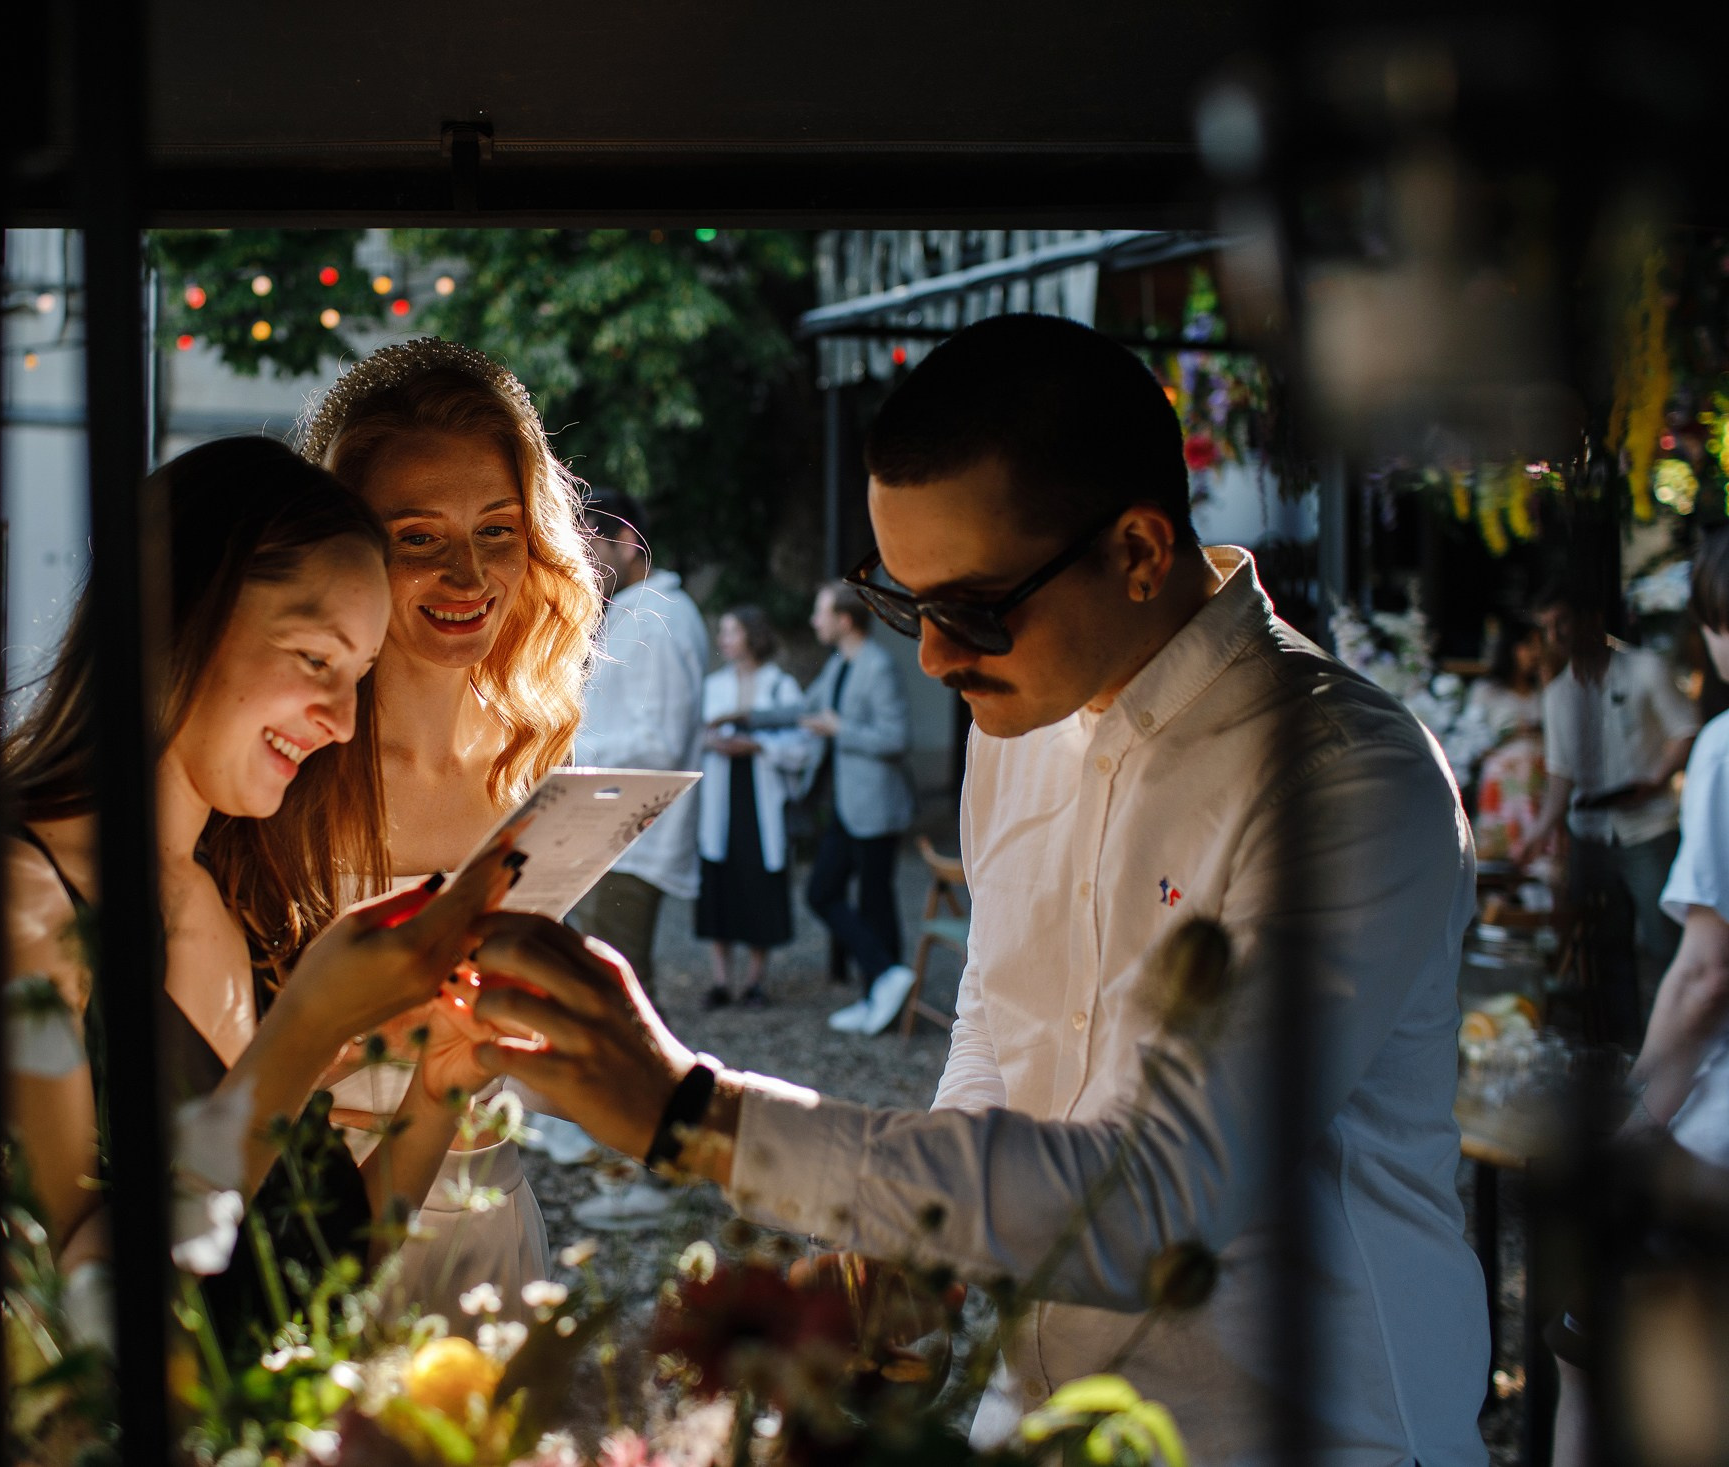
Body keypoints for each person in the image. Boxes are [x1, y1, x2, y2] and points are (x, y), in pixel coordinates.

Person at [465, 314, 1489, 1467]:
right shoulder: (1021, 718)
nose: (933, 659)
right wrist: (923, 1256)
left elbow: (1160, 1190)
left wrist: (697, 1115)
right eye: (904, 602)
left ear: (1141, 552)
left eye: (970, 609)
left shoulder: (1340, 777)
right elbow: (1001, 1022)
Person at [1, 436, 517, 1354]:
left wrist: (439, 1085)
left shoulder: (225, 891)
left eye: (360, 677)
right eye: (316, 657)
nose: (345, 721)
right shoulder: (24, 903)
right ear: (176, 618)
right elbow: (79, 1319)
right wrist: (304, 1031)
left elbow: (313, 1260)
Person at [299, 339, 601, 1308]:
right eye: (419, 536)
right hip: (315, 1237)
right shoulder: (283, 770)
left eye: (498, 530)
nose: (467, 575)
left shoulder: (537, 760)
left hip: (496, 1235)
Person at [1549, 529, 1729, 1467]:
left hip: (1716, 1140)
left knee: (1587, 1351)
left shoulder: (1726, 747)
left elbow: (1706, 973)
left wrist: (1640, 1115)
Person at [1518, 580, 1698, 1018]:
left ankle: (1677, 1041)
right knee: (1601, 951)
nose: (1556, 635)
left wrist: (1655, 781)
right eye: (1547, 627)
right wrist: (1538, 833)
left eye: (1563, 622)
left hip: (1650, 827)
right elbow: (1561, 776)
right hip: (1591, 835)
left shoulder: (1644, 669)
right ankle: (1619, 1052)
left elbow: (1686, 730)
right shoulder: (1558, 694)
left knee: (1665, 945)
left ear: (1592, 620)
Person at [573, 486, 709, 1001]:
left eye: (591, 546)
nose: (582, 560)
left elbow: (660, 743)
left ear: (627, 541)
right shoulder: (632, 612)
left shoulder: (662, 615)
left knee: (619, 999)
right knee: (607, 993)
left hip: (634, 839)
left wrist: (564, 757)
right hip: (609, 833)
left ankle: (664, 1084)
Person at [800, 582, 918, 1035]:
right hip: (847, 807)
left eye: (821, 612)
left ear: (845, 620)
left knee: (875, 901)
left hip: (876, 806)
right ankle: (885, 978)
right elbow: (805, 708)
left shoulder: (879, 666)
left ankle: (881, 997)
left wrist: (839, 729)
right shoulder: (839, 665)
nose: (815, 621)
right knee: (822, 892)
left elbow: (896, 739)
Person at [697, 605, 811, 1009]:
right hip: (721, 798)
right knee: (720, 883)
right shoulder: (713, 686)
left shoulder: (780, 686)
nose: (723, 639)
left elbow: (802, 747)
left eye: (731, 631)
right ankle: (720, 980)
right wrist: (713, 744)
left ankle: (754, 981)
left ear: (752, 636)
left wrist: (759, 745)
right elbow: (696, 737)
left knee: (760, 885)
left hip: (761, 800)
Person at [1449, 615, 1549, 867]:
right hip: (1504, 786)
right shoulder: (1486, 692)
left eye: (1540, 646)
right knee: (1500, 860)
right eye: (1528, 645)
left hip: (1540, 784)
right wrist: (1512, 733)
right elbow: (1470, 745)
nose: (1535, 653)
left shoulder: (1546, 691)